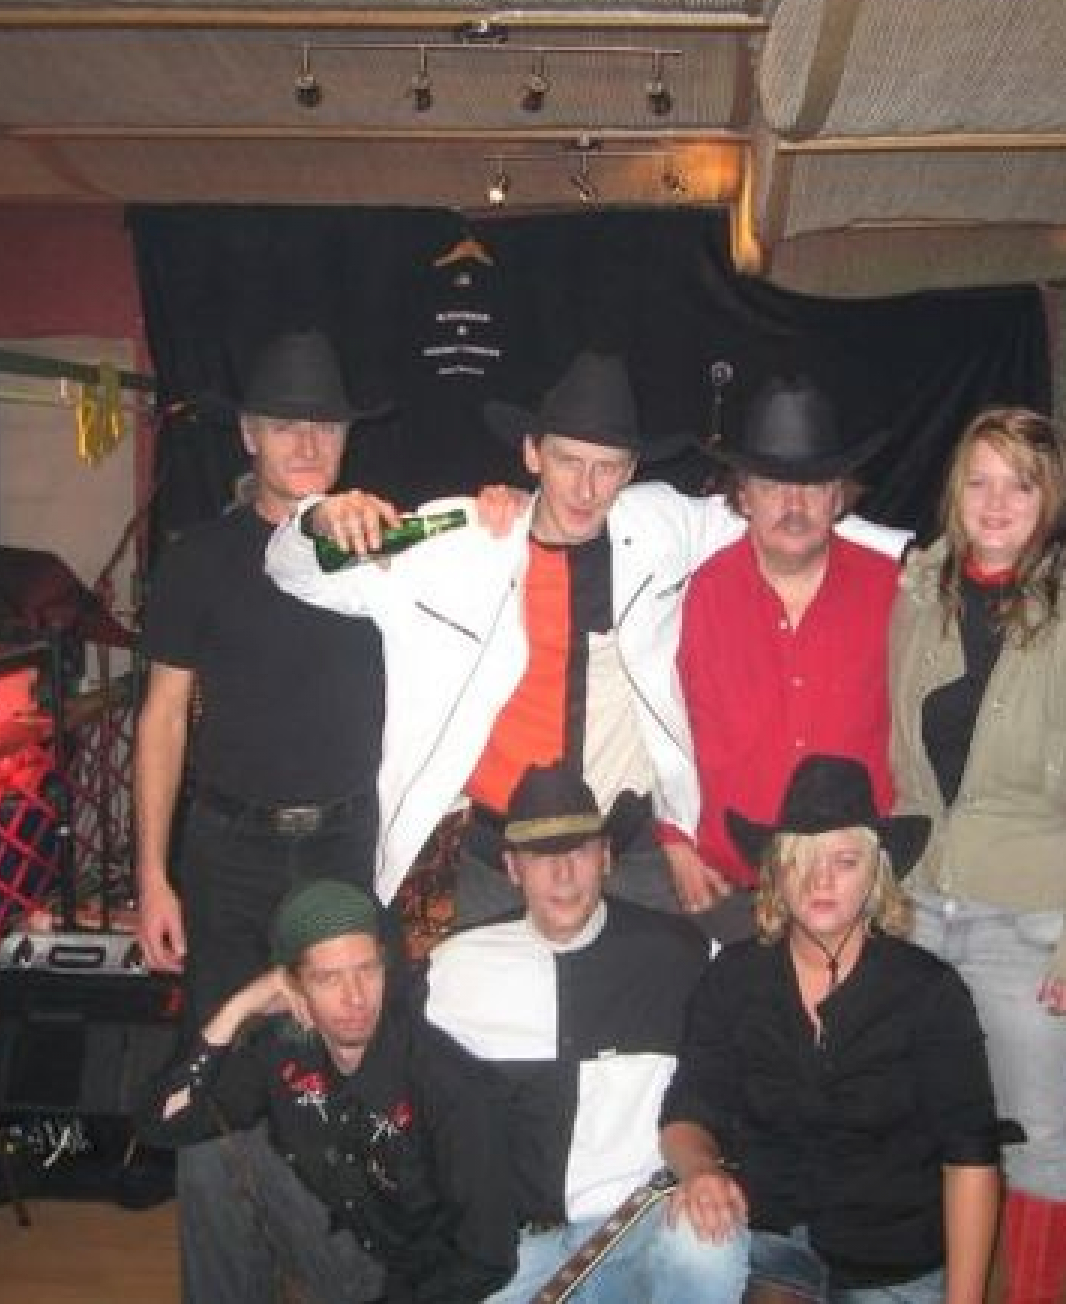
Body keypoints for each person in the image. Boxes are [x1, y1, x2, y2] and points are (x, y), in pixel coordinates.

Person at [265, 349, 907, 928]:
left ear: (630, 472)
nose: (585, 488)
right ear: (531, 454)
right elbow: (293, 574)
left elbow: (787, 518)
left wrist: (920, 559)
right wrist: (317, 519)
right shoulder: (457, 541)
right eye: (568, 461)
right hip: (498, 854)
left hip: (625, 851)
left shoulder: (658, 528)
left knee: (650, 1011)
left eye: (606, 468)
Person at [887, 408, 1066, 1304]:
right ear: (955, 491)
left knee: (1035, 1139)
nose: (996, 503)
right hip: (918, 910)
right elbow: (902, 766)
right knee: (919, 1125)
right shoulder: (916, 603)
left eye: (1019, 485)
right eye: (980, 481)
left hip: (1029, 927)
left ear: (1051, 500)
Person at [659, 753, 1002, 1304]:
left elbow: (970, 1159)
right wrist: (700, 1170)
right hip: (770, 1247)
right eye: (802, 860)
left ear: (876, 874)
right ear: (777, 873)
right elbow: (687, 1111)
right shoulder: (734, 979)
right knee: (689, 1245)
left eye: (844, 861)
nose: (821, 880)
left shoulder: (929, 992)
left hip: (892, 1260)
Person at [135, 329, 387, 1032]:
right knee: (225, 1037)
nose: (307, 444)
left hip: (346, 840)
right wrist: (151, 876)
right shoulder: (198, 560)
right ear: (249, 435)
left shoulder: (384, 552)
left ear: (346, 439)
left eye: (325, 426)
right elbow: (162, 717)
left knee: (344, 1040)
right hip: (229, 845)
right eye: (285, 426)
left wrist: (498, 504)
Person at [423, 762, 749, 1303]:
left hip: (644, 1223)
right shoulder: (456, 968)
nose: (563, 874)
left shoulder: (680, 954)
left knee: (706, 1244)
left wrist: (704, 1169)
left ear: (607, 857)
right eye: (541, 857)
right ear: (512, 868)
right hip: (517, 1247)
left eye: (578, 851)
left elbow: (742, 1054)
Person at [135, 879, 518, 1303]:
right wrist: (238, 1008)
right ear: (295, 987)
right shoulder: (284, 1052)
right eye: (328, 978)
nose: (355, 998)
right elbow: (162, 1125)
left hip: (416, 1282)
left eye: (366, 971)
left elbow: (486, 1259)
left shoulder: (445, 1081)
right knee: (207, 1150)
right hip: (340, 1250)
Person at [677, 375, 910, 940]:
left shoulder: (896, 593)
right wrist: (672, 839)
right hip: (733, 892)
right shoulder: (696, 595)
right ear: (743, 496)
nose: (794, 504)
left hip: (859, 894)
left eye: (813, 485)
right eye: (774, 485)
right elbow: (658, 721)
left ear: (837, 498)